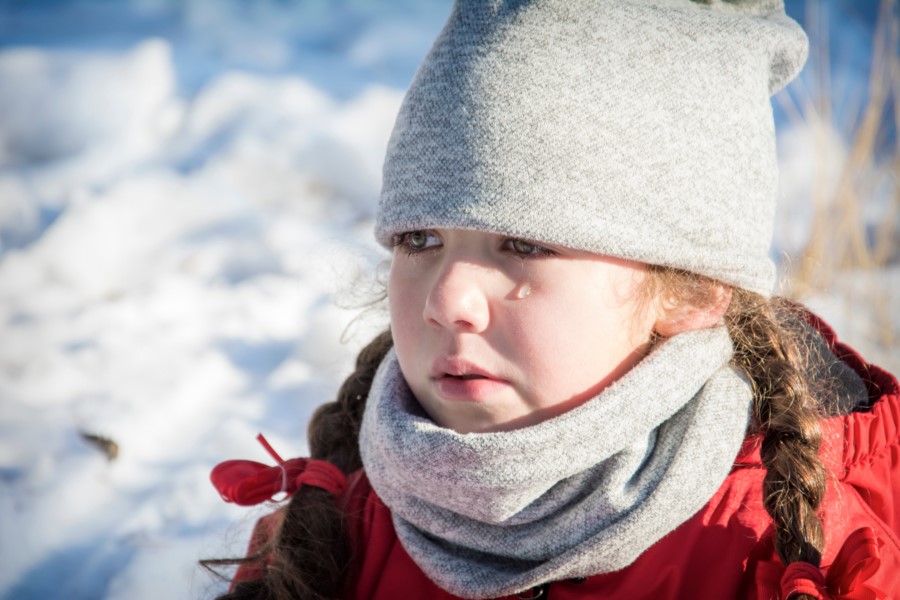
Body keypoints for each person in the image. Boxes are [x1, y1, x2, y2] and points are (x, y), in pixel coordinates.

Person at [204, 0, 900, 598]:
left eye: (526, 245)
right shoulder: (334, 528)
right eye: (420, 238)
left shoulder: (798, 553)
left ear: (691, 291)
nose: (448, 300)